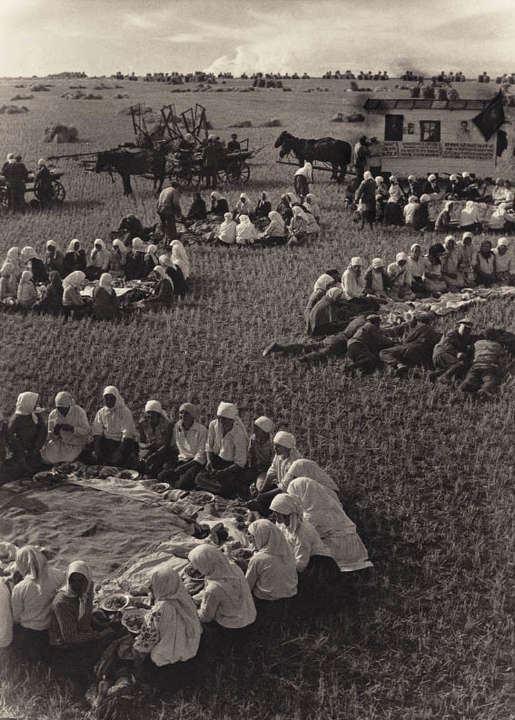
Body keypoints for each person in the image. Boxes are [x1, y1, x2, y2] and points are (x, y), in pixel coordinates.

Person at [287, 477, 373, 572]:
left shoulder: (313, 513)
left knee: (303, 547)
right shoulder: (324, 501)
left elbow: (303, 533)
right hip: (351, 545)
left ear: (303, 494)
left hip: (341, 548)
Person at [132, 562, 202, 675]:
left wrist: (137, 647)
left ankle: (140, 677)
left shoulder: (159, 610)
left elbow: (147, 641)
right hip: (191, 647)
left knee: (136, 650)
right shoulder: (184, 597)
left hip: (170, 657)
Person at [11, 546, 64, 660]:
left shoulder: (20, 588)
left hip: (30, 635)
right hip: (51, 630)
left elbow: (16, 617)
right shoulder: (58, 575)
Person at [188, 545, 256, 629]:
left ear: (205, 565)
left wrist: (191, 610)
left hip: (235, 624)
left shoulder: (214, 588)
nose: (196, 568)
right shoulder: (233, 567)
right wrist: (196, 598)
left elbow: (205, 617)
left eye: (198, 565)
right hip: (249, 613)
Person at [199, 402, 248, 498]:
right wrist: (209, 461)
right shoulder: (214, 425)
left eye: (224, 420)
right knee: (199, 477)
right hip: (217, 460)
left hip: (231, 467)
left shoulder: (239, 434)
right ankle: (217, 488)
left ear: (232, 420)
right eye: (219, 418)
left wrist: (224, 472)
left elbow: (240, 463)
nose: (221, 422)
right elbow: (209, 445)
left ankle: (219, 488)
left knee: (226, 484)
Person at [246, 520, 298, 603]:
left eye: (253, 538)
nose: (252, 542)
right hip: (289, 598)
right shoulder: (286, 551)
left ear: (261, 536)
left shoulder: (258, 559)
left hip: (267, 601)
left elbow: (247, 585)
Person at [249, 431, 300, 512]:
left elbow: (284, 487)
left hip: (291, 493)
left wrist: (262, 496)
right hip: (281, 486)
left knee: (266, 501)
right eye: (274, 445)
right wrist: (262, 490)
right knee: (259, 488)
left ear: (286, 447)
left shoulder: (294, 463)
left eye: (278, 446)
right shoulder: (278, 455)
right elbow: (271, 472)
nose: (275, 448)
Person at [159, 403, 207, 489]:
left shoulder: (202, 430)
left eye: (186, 413)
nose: (183, 415)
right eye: (181, 413)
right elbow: (173, 445)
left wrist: (181, 468)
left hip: (193, 463)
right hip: (181, 459)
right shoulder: (177, 426)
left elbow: (200, 456)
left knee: (181, 485)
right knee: (161, 476)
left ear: (193, 416)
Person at [4, 392, 47, 482]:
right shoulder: (16, 419)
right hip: (22, 449)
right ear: (28, 403)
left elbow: (42, 431)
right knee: (23, 467)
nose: (36, 405)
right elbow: (10, 437)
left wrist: (36, 447)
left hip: (33, 446)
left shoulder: (33, 415)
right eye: (35, 403)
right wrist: (20, 450)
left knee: (38, 464)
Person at [92, 386, 139, 467]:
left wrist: (119, 452)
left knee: (124, 460)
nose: (109, 401)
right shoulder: (101, 412)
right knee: (90, 454)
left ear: (116, 398)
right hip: (107, 442)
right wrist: (97, 450)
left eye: (111, 398)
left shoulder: (125, 412)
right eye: (106, 398)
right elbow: (97, 432)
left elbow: (127, 435)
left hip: (122, 443)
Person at [41, 391, 91, 464]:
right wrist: (55, 431)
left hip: (76, 442)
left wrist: (72, 429)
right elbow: (51, 436)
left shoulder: (79, 412)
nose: (61, 411)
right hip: (60, 442)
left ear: (69, 406)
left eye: (63, 408)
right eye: (59, 408)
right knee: (48, 454)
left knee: (69, 457)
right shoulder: (53, 414)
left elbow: (86, 430)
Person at [459, 330, 506, 397]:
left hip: (476, 366)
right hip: (489, 367)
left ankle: (466, 386)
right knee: (489, 381)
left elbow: (469, 351)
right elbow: (502, 358)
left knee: (471, 378)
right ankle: (483, 391)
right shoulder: (498, 346)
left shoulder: (477, 343)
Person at [431, 318, 476, 383]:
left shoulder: (464, 338)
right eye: (465, 327)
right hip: (441, 353)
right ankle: (444, 377)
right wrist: (457, 353)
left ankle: (435, 375)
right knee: (459, 364)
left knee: (458, 367)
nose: (467, 330)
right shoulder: (452, 333)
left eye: (469, 329)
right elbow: (446, 345)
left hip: (444, 355)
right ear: (458, 327)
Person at [137, 400, 175, 477]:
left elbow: (166, 445)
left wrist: (153, 455)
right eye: (148, 416)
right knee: (139, 464)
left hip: (165, 451)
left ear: (159, 415)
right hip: (150, 448)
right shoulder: (142, 423)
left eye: (153, 416)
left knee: (156, 469)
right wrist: (146, 447)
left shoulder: (167, 424)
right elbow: (141, 442)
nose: (150, 420)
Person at [246, 416, 274, 488]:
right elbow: (251, 455)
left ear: (264, 432)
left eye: (257, 429)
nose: (254, 431)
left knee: (261, 485)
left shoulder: (272, 444)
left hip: (267, 470)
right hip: (256, 467)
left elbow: (273, 464)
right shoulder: (253, 438)